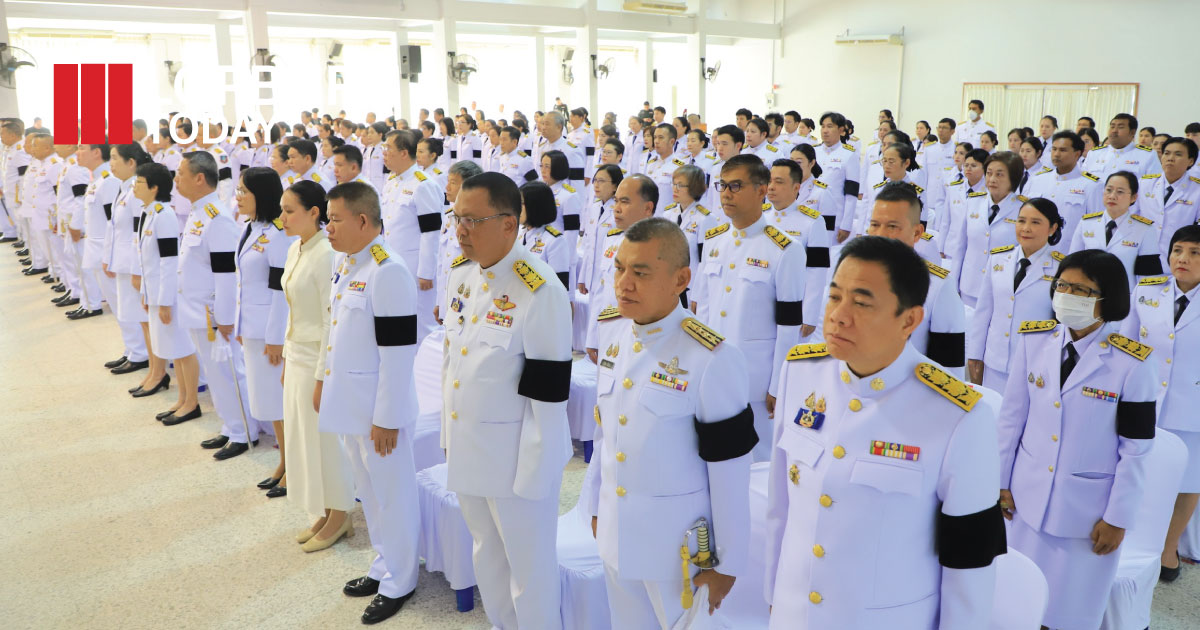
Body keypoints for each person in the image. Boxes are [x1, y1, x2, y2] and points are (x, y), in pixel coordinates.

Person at [765, 235, 1004, 629]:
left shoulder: (958, 416)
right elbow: (780, 507)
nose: (839, 315)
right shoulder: (801, 371)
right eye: (834, 296)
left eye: (861, 303)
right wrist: (775, 598)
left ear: (909, 320)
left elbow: (971, 562)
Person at [584, 217, 755, 628]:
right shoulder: (613, 332)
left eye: (640, 272)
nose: (624, 283)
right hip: (616, 534)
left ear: (681, 279)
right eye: (620, 268)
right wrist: (594, 505)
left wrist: (728, 562)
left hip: (677, 553)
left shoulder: (712, 357)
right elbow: (606, 431)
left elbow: (731, 472)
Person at [998, 249, 1155, 630]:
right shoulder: (1034, 341)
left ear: (1108, 300)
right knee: (1016, 604)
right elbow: (1010, 419)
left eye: (1084, 291)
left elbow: (1136, 449)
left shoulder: (1131, 363)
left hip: (1086, 514)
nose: (1068, 295)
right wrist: (999, 483)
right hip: (1025, 499)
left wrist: (1118, 518)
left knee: (1069, 612)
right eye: (1063, 285)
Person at [442, 172, 573, 630]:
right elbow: (453, 368)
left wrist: (535, 478)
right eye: (457, 218)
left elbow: (549, 396)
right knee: (488, 559)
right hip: (472, 450)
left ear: (509, 224)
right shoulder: (463, 277)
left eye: (473, 221)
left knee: (529, 572)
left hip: (518, 464)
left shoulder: (539, 291)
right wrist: (448, 439)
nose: (461, 231)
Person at [317, 181, 420, 623]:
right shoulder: (349, 263)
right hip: (352, 403)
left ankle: (402, 579)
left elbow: (398, 355)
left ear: (363, 221)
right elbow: (336, 329)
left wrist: (388, 418)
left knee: (392, 494)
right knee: (370, 494)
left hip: (380, 411)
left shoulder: (387, 270)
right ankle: (383, 565)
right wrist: (323, 377)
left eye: (335, 219)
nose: (328, 227)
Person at [692, 154, 809, 461]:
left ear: (761, 190)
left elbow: (788, 325)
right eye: (722, 186)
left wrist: (777, 384)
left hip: (754, 381)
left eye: (736, 185)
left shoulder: (785, 249)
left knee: (757, 464)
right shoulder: (715, 241)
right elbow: (702, 308)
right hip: (712, 371)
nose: (727, 193)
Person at [1117, 226, 1200, 582]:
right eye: (1178, 250)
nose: (1183, 258)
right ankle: (1132, 538)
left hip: (1191, 405)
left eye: (1195, 252)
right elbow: (1125, 342)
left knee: (1188, 479)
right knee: (1137, 469)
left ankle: (1169, 547)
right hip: (1144, 399)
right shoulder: (1147, 291)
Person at [169, 151, 262, 459]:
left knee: (228, 371)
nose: (177, 178)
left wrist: (224, 317)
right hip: (196, 310)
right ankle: (229, 425)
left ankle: (244, 431)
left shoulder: (217, 218)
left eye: (181, 173)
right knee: (213, 371)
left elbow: (226, 274)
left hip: (213, 314)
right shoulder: (198, 212)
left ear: (199, 178)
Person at [276, 180, 355, 538]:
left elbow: (329, 321)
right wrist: (287, 354)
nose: (282, 217)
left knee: (323, 439)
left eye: (290, 211)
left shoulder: (326, 254)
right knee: (302, 437)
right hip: (296, 353)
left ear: (313, 213)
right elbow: (292, 310)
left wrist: (324, 373)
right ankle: (324, 508)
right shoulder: (296, 248)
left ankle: (341, 513)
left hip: (316, 359)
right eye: (282, 209)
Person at [865, 182, 967, 374]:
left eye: (892, 226)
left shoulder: (937, 287)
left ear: (917, 232)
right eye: (875, 225)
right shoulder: (856, 276)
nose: (880, 234)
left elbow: (949, 370)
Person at [234, 168, 294, 494]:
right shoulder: (250, 228)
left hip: (271, 333)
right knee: (269, 402)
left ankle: (292, 465)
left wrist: (275, 339)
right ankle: (284, 462)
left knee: (281, 403)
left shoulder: (278, 233)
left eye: (245, 191)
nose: (238, 196)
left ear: (263, 193)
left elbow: (279, 292)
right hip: (253, 329)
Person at [967, 197, 1064, 389]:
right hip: (993, 361)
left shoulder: (1062, 268)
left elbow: (1061, 325)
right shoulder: (998, 259)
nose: (1026, 228)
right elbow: (984, 312)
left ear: (1052, 228)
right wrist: (975, 355)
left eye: (1035, 222)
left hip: (1034, 366)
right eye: (1021, 221)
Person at [134, 162, 196, 413]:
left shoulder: (165, 216)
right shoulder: (149, 212)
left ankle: (191, 402)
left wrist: (165, 300)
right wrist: (146, 294)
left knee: (181, 349)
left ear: (154, 187)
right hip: (155, 292)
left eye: (139, 183)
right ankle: (181, 398)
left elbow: (169, 262)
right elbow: (147, 262)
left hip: (167, 295)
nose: (135, 187)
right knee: (171, 348)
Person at [380, 129, 443, 342]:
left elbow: (431, 232)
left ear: (404, 153)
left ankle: (424, 372)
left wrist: (425, 272)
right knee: (398, 320)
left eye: (388, 148)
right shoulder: (391, 183)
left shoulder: (423, 185)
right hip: (392, 264)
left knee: (422, 325)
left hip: (415, 268)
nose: (384, 153)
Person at [947, 151, 1024, 309]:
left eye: (999, 174)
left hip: (1002, 288)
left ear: (1014, 177)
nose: (992, 179)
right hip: (969, 286)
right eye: (989, 173)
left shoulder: (1023, 209)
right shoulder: (973, 202)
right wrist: (953, 283)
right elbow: (961, 247)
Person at [105, 144, 156, 383]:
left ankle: (142, 355)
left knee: (138, 313)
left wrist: (138, 269)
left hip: (133, 263)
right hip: (122, 261)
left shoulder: (137, 190)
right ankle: (133, 351)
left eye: (115, 158)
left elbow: (140, 232)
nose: (111, 162)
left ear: (131, 162)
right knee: (128, 311)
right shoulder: (124, 188)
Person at [765, 158, 831, 329]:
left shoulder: (812, 222)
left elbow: (817, 272)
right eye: (769, 181)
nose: (771, 187)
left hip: (793, 303)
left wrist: (809, 315)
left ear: (796, 187)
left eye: (779, 182)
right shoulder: (759, 216)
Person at [1069, 171, 1163, 288]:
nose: (1112, 196)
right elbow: (1072, 264)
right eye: (1109, 190)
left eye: (1120, 192)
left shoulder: (1145, 229)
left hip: (1124, 298)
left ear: (1133, 197)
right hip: (1088, 294)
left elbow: (1149, 277)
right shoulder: (1086, 223)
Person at [1025, 131, 1100, 255]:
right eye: (1054, 149)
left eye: (1063, 150)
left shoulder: (1092, 185)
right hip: (1036, 253)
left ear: (1077, 154)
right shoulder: (1037, 180)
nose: (1056, 154)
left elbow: (1095, 228)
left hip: (1070, 255)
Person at [71, 141, 121, 323]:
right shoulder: (97, 180)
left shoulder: (109, 181)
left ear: (97, 152)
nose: (77, 152)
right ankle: (133, 350)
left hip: (106, 253)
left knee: (119, 303)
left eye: (82, 148)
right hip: (98, 251)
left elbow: (112, 222)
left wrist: (109, 256)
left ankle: (138, 350)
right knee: (116, 305)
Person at [434, 161, 484, 325]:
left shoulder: (478, 219)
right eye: (447, 181)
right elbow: (442, 262)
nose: (447, 187)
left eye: (453, 183)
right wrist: (440, 301)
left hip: (467, 296)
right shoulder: (448, 215)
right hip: (448, 296)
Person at [661, 164, 715, 309]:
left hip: (691, 289)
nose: (675, 189)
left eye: (680, 185)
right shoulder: (668, 215)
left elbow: (705, 262)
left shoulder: (705, 219)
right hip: (668, 284)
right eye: (674, 184)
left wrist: (697, 296)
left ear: (694, 187)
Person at [1140, 137, 1200, 257]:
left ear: (1190, 161)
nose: (1170, 158)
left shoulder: (1197, 190)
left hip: (1180, 258)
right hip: (1143, 255)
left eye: (1178, 154)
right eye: (1166, 153)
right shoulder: (1143, 183)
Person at [578, 163, 623, 300]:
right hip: (592, 277)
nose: (596, 185)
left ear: (615, 186)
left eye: (601, 181)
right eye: (595, 180)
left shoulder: (619, 210)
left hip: (610, 278)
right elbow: (588, 245)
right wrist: (582, 277)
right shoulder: (595, 207)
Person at [815, 112, 860, 244]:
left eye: (829, 126)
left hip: (834, 216)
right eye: (823, 127)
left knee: (827, 256)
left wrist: (846, 225)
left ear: (841, 130)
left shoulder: (849, 155)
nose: (825, 131)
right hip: (810, 212)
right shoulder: (813, 152)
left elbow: (851, 194)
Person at [518, 180, 571, 288]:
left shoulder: (555, 241)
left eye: (521, 203)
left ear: (535, 206)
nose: (517, 208)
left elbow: (559, 286)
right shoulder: (519, 234)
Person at [1082, 114, 1162, 179]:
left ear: (1132, 132)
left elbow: (1153, 187)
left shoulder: (1148, 155)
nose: (1114, 131)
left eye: (1120, 127)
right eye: (1112, 127)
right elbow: (1083, 181)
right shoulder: (1094, 153)